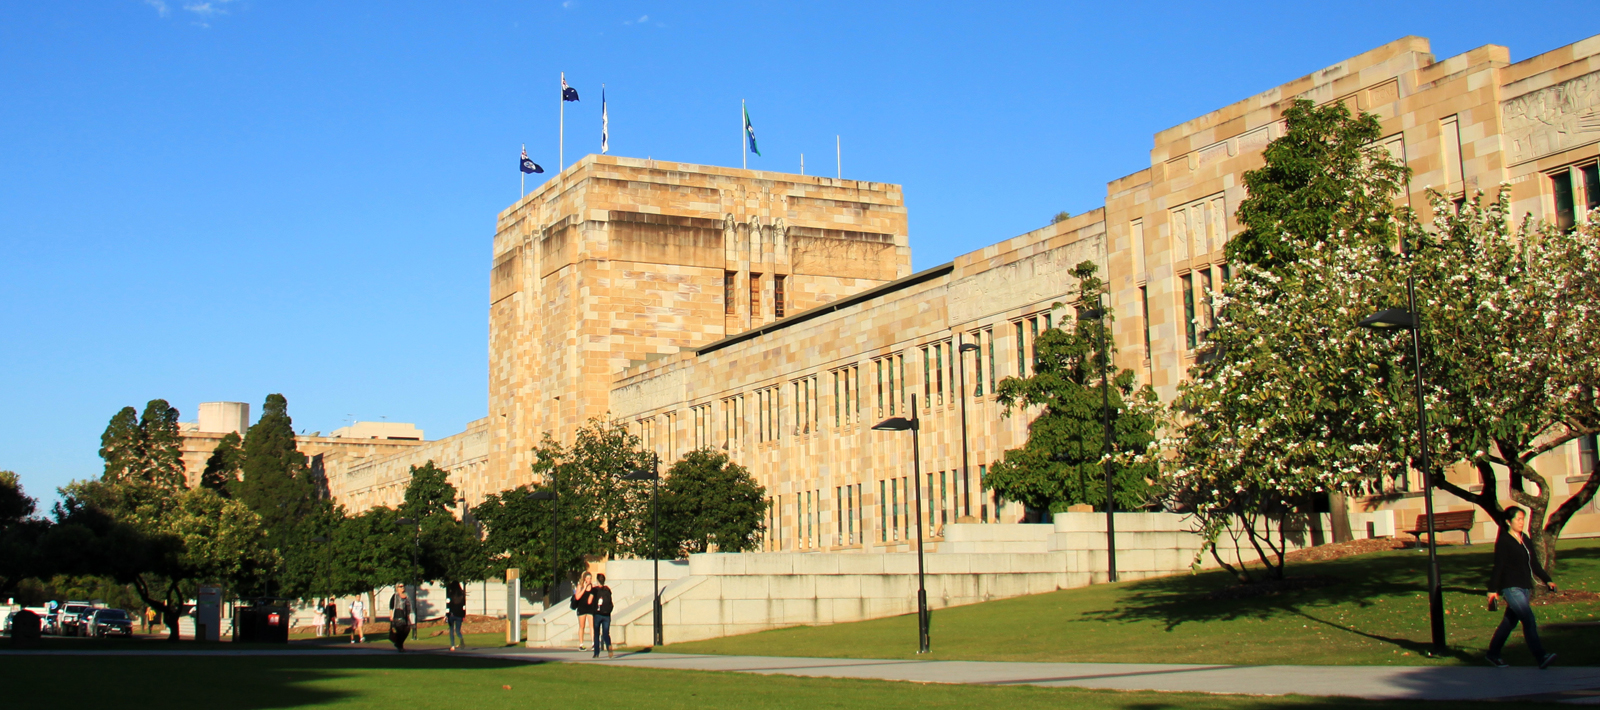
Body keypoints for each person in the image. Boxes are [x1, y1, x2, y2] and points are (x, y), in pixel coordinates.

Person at [1486, 506, 1559, 668]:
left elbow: (1534, 564)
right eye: (1518, 519)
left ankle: (1492, 654)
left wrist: (1548, 580)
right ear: (1508, 522)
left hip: (1525, 587)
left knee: (1509, 623)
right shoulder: (1504, 541)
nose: (1521, 522)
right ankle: (1541, 657)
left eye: (1522, 519)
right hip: (1511, 588)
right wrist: (1492, 590)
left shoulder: (1524, 539)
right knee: (1528, 619)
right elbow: (1498, 566)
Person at [589, 573, 614, 659]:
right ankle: (609, 645)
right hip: (607, 614)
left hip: (597, 614)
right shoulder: (607, 590)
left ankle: (596, 653)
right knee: (606, 633)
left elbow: (589, 601)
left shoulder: (595, 590)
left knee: (596, 634)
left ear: (597, 580)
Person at [573, 572, 595, 651]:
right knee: (582, 626)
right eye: (588, 578)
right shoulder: (580, 586)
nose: (589, 580)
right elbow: (577, 597)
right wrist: (584, 588)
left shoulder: (593, 587)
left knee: (592, 626)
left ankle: (593, 643)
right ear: (584, 579)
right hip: (582, 608)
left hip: (590, 608)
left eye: (590, 578)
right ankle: (581, 644)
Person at [388, 584, 412, 652]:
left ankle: (398, 644)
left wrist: (409, 616)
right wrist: (391, 615)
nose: (402, 588)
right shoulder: (395, 596)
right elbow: (391, 606)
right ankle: (400, 647)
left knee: (407, 629)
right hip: (397, 614)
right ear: (397, 588)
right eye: (400, 587)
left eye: (403, 586)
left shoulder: (406, 596)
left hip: (405, 615)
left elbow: (408, 607)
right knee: (400, 631)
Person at [446, 582, 467, 651]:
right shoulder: (462, 595)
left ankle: (452, 645)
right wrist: (463, 615)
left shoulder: (450, 594)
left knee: (451, 630)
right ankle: (461, 639)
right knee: (458, 630)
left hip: (452, 615)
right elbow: (464, 607)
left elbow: (448, 606)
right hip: (460, 615)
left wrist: (446, 615)